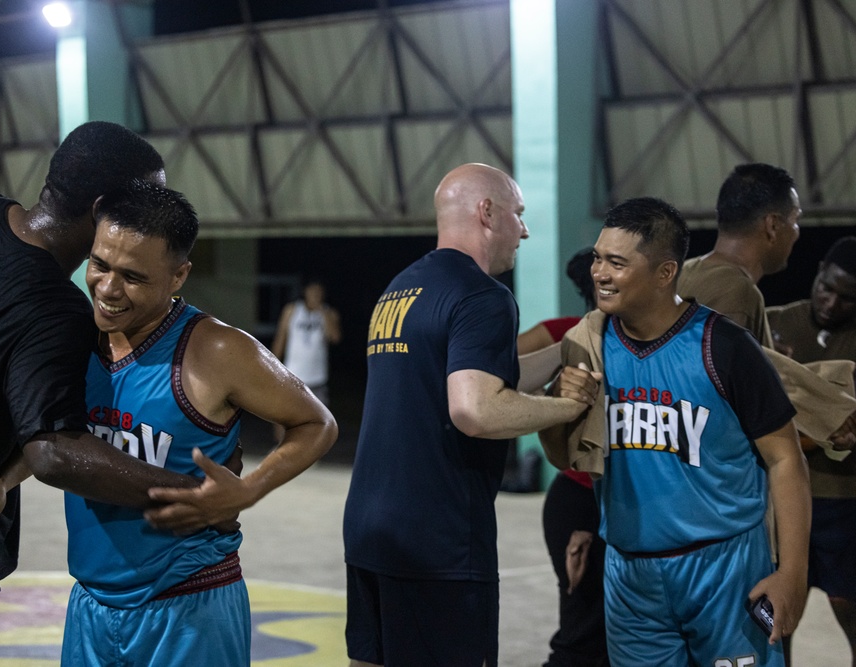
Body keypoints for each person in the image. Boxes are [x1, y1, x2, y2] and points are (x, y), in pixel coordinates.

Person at [0, 122, 232, 666]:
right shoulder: (55, 309)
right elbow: (54, 451)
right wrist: (197, 497)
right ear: (103, 209)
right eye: (141, 201)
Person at [59, 179, 337, 665]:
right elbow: (52, 435)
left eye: (133, 276)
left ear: (178, 275)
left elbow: (317, 423)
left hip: (189, 605)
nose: (107, 288)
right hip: (90, 605)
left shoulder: (217, 350)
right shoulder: (73, 340)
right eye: (99, 264)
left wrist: (250, 489)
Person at [342, 162, 599, 667]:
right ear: (487, 212)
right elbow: (475, 409)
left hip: (371, 526)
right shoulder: (483, 296)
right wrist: (567, 407)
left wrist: (571, 346)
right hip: (439, 540)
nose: (524, 230)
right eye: (518, 214)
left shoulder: (401, 289)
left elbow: (476, 377)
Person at [554, 197, 810, 666]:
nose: (599, 273)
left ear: (665, 272)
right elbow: (568, 456)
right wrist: (558, 399)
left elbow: (785, 458)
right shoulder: (588, 346)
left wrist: (792, 570)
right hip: (630, 575)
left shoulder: (724, 346)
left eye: (616, 262)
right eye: (597, 257)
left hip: (725, 568)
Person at [516, 247, 610, 667]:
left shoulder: (645, 339)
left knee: (613, 632)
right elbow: (495, 366)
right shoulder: (568, 333)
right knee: (583, 634)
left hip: (618, 502)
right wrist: (546, 404)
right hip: (580, 500)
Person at [767, 236, 856, 666]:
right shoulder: (773, 325)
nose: (832, 301)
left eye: (847, 298)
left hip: (844, 504)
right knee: (775, 622)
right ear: (818, 270)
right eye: (828, 287)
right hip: (781, 503)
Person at [678, 162, 801, 348]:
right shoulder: (738, 292)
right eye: (795, 219)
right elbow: (716, 373)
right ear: (773, 225)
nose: (796, 231)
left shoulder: (683, 272)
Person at [271, 278, 341, 407]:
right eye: (312, 290)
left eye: (319, 291)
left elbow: (335, 337)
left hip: (317, 379)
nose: (315, 294)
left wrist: (322, 311)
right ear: (305, 291)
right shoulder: (292, 310)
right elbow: (280, 338)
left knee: (317, 420)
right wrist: (272, 367)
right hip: (292, 375)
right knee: (284, 415)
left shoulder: (329, 312)